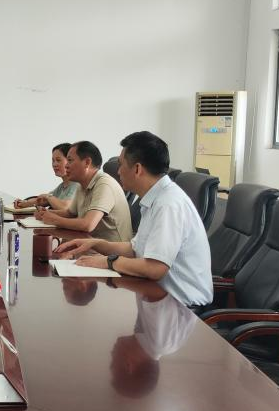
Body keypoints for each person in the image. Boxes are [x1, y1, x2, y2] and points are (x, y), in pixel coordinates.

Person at [55, 131, 212, 308]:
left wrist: (108, 261)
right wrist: (95, 244)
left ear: (137, 169)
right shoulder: (154, 199)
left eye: (121, 164)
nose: (118, 171)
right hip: (155, 296)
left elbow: (155, 268)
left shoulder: (168, 204)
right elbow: (135, 249)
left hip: (182, 307)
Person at [32, 140, 132, 241]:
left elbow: (88, 225)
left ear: (87, 162)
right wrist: (46, 213)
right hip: (90, 242)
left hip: (110, 248)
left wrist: (54, 219)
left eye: (70, 160)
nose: (66, 165)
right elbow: (70, 214)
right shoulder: (82, 184)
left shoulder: (104, 184)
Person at [15, 143, 79, 210]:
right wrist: (22, 203)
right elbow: (43, 200)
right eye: (53, 161)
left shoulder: (77, 185)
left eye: (58, 160)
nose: (54, 164)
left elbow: (65, 207)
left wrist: (48, 197)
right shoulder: (62, 187)